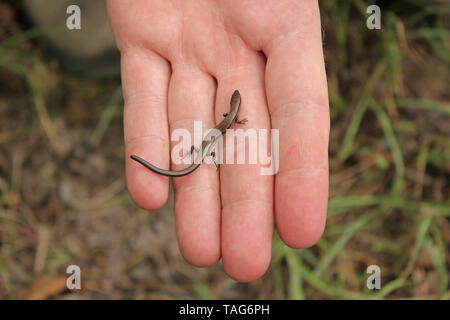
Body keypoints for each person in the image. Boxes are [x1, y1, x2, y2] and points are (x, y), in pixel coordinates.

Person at [107, 0, 329, 282]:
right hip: (209, 142)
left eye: (236, 101)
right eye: (236, 101)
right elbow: (232, 121)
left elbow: (229, 120)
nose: (236, 101)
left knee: (203, 154)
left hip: (209, 142)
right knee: (201, 154)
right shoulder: (232, 118)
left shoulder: (230, 116)